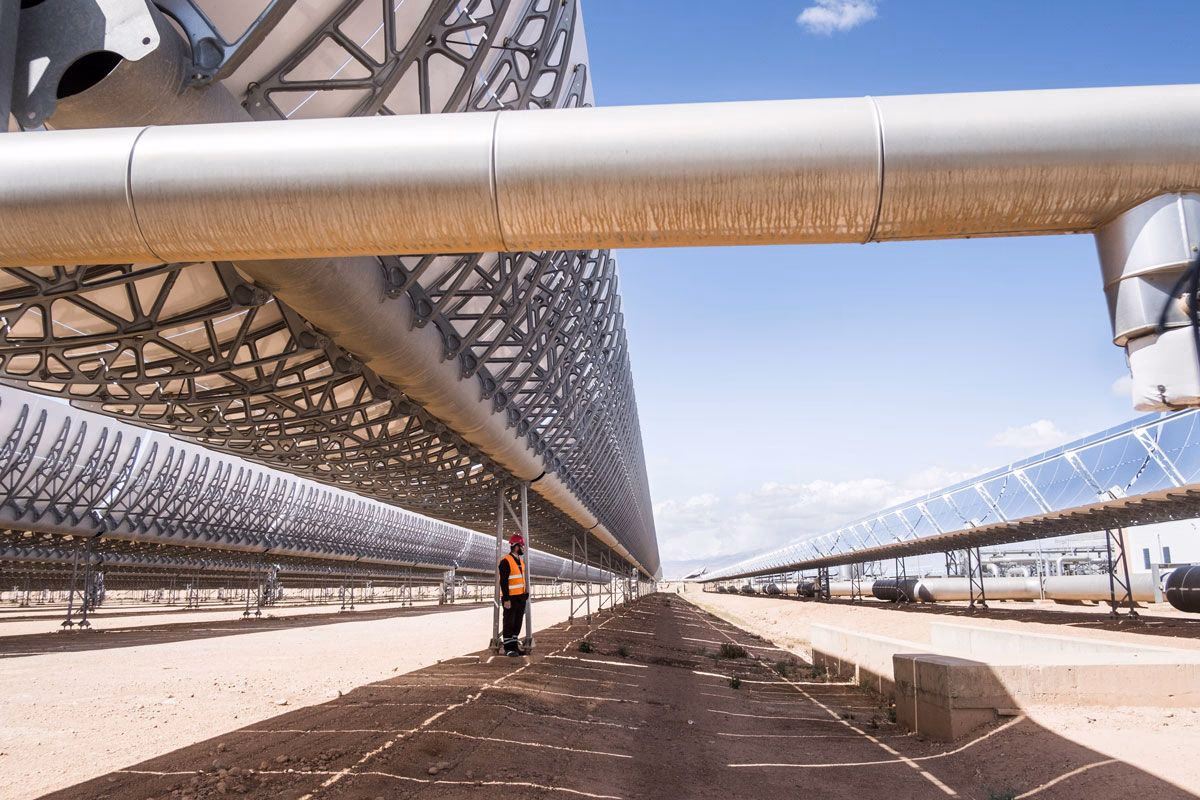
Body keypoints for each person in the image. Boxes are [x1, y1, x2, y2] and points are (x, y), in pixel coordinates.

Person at [498, 533, 528, 656]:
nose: (523, 548)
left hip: (520, 597)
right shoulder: (506, 561)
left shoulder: (520, 561)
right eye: (522, 546)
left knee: (517, 623)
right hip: (510, 598)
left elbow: (520, 579)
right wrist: (506, 599)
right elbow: (503, 581)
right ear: (516, 547)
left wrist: (525, 593)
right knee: (509, 623)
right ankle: (508, 649)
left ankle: (515, 646)